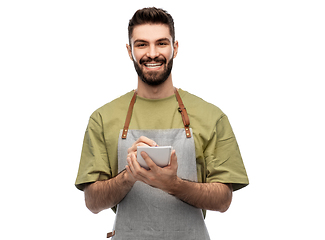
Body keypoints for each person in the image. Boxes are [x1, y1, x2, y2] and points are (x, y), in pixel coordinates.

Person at [75, 7, 249, 239]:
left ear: (174, 48)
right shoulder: (103, 118)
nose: (152, 53)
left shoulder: (211, 116)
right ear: (130, 51)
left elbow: (224, 200)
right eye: (142, 44)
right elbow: (93, 202)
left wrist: (173, 184)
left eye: (161, 43)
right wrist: (129, 175)